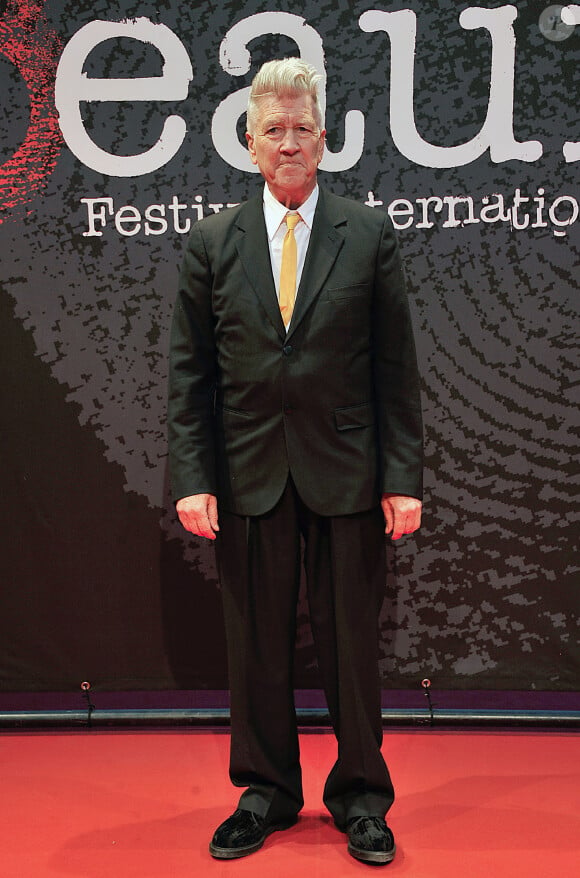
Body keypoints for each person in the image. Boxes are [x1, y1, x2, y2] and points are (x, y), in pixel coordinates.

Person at [167, 58, 423, 866]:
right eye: (273, 129)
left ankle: (360, 801)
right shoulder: (212, 242)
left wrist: (402, 478)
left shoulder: (367, 232)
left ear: (325, 139)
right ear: (249, 142)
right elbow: (191, 373)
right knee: (256, 648)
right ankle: (267, 794)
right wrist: (193, 475)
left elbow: (396, 367)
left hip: (347, 474)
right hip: (246, 478)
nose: (289, 142)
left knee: (353, 650)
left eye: (302, 129)